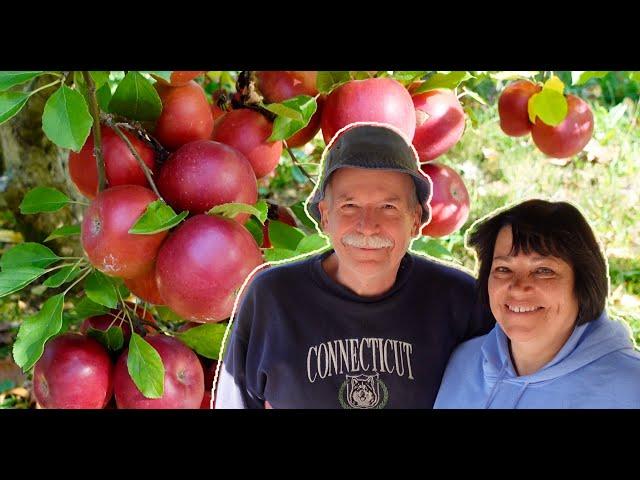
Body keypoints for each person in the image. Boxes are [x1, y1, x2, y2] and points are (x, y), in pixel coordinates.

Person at [215, 122, 493, 409]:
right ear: (325, 216)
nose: (367, 226)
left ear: (414, 220)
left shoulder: (461, 301)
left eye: (389, 207)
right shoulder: (273, 299)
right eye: (349, 206)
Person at [435, 199, 640, 408]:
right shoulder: (462, 362)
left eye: (543, 271)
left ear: (583, 283)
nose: (518, 287)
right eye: (503, 269)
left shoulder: (631, 389)